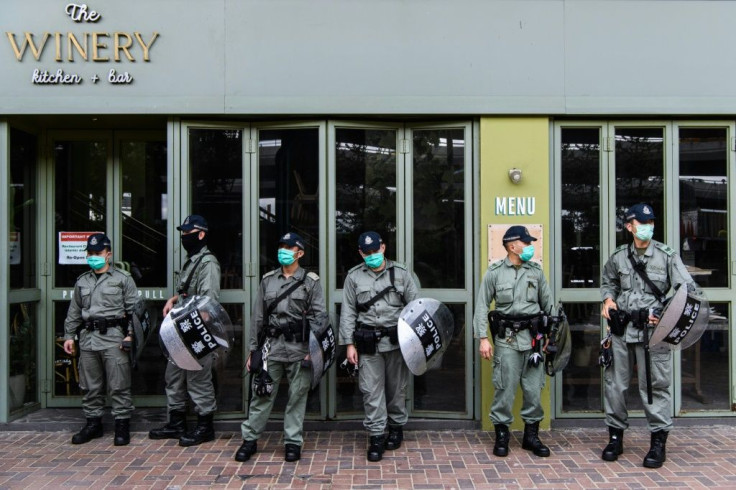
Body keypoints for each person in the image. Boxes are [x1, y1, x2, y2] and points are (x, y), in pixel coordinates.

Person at [600, 203, 697, 468]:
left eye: (651, 223)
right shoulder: (619, 256)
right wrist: (608, 299)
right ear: (629, 227)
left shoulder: (666, 256)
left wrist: (665, 311)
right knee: (615, 385)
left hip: (653, 333)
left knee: (654, 386)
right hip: (621, 330)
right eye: (642, 223)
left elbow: (687, 289)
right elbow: (608, 280)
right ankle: (615, 438)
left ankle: (658, 443)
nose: (648, 227)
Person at [234, 232, 326, 463]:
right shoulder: (268, 280)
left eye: (289, 247)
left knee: (297, 397)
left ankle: (292, 442)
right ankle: (250, 440)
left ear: (300, 253)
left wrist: (313, 351)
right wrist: (253, 350)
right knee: (261, 394)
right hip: (271, 348)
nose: (283, 251)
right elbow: (257, 318)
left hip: (299, 348)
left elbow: (319, 319)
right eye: (281, 246)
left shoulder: (311, 282)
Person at [472, 225, 554, 458]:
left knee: (533, 390)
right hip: (506, 340)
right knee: (504, 389)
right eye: (526, 243)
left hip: (533, 340)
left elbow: (548, 306)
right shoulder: (495, 273)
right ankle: (502, 436)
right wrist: (483, 339)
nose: (530, 246)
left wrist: (551, 338)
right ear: (512, 246)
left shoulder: (536, 272)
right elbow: (481, 306)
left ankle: (531, 437)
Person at [339, 231, 419, 462]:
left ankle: (395, 428)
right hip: (367, 343)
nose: (372, 255)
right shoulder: (354, 277)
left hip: (396, 342)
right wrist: (349, 344)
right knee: (371, 391)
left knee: (396, 390)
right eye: (367, 252)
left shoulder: (402, 274)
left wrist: (413, 343)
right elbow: (348, 312)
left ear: (383, 248)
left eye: (376, 250)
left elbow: (415, 307)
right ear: (361, 253)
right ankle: (376, 435)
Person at [149, 214, 221, 447]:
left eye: (188, 234)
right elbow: (189, 293)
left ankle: (204, 427)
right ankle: (176, 423)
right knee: (174, 377)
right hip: (181, 330)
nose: (183, 237)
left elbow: (207, 304)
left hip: (196, 331)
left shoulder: (207, 263)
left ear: (201, 234)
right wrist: (174, 299)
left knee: (198, 380)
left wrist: (192, 330)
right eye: (182, 234)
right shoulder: (193, 260)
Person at [63, 233, 139, 446]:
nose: (93, 256)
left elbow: (136, 311)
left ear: (108, 254)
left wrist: (130, 335)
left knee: (119, 384)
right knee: (90, 386)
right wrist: (69, 336)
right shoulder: (82, 281)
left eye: (98, 253)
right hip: (88, 339)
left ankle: (122, 426)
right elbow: (74, 311)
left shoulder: (123, 279)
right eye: (90, 253)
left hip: (114, 338)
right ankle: (93, 425)